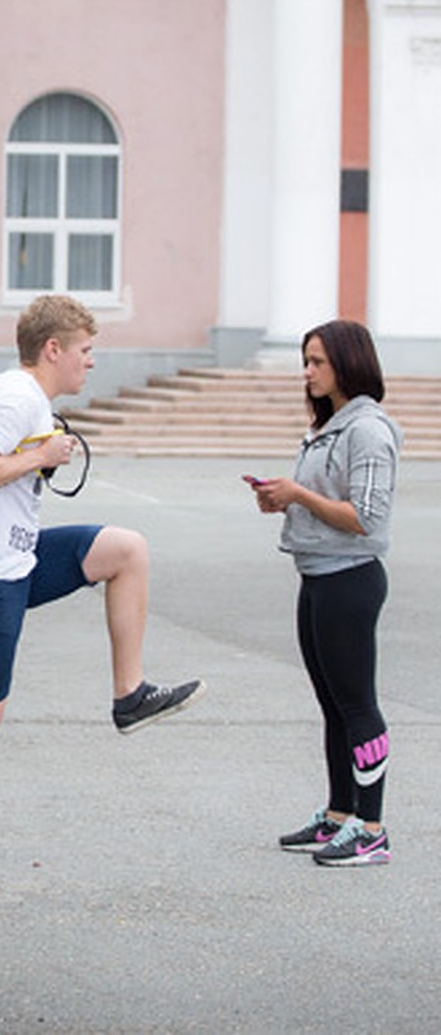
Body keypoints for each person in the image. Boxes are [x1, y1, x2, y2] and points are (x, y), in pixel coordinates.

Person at [0, 294, 205, 899]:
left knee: (125, 550)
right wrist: (40, 454)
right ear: (53, 349)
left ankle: (130, 695)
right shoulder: (16, 398)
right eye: (86, 352)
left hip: (13, 559)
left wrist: (15, 454)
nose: (90, 364)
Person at [248, 319, 401, 868]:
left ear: (347, 363)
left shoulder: (368, 431)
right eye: (305, 361)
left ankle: (373, 828)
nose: (307, 372)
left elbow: (366, 518)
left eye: (317, 362)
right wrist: (283, 500)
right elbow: (323, 501)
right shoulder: (328, 426)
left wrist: (299, 495)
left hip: (349, 581)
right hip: (316, 578)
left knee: (358, 705)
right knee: (333, 706)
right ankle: (339, 816)